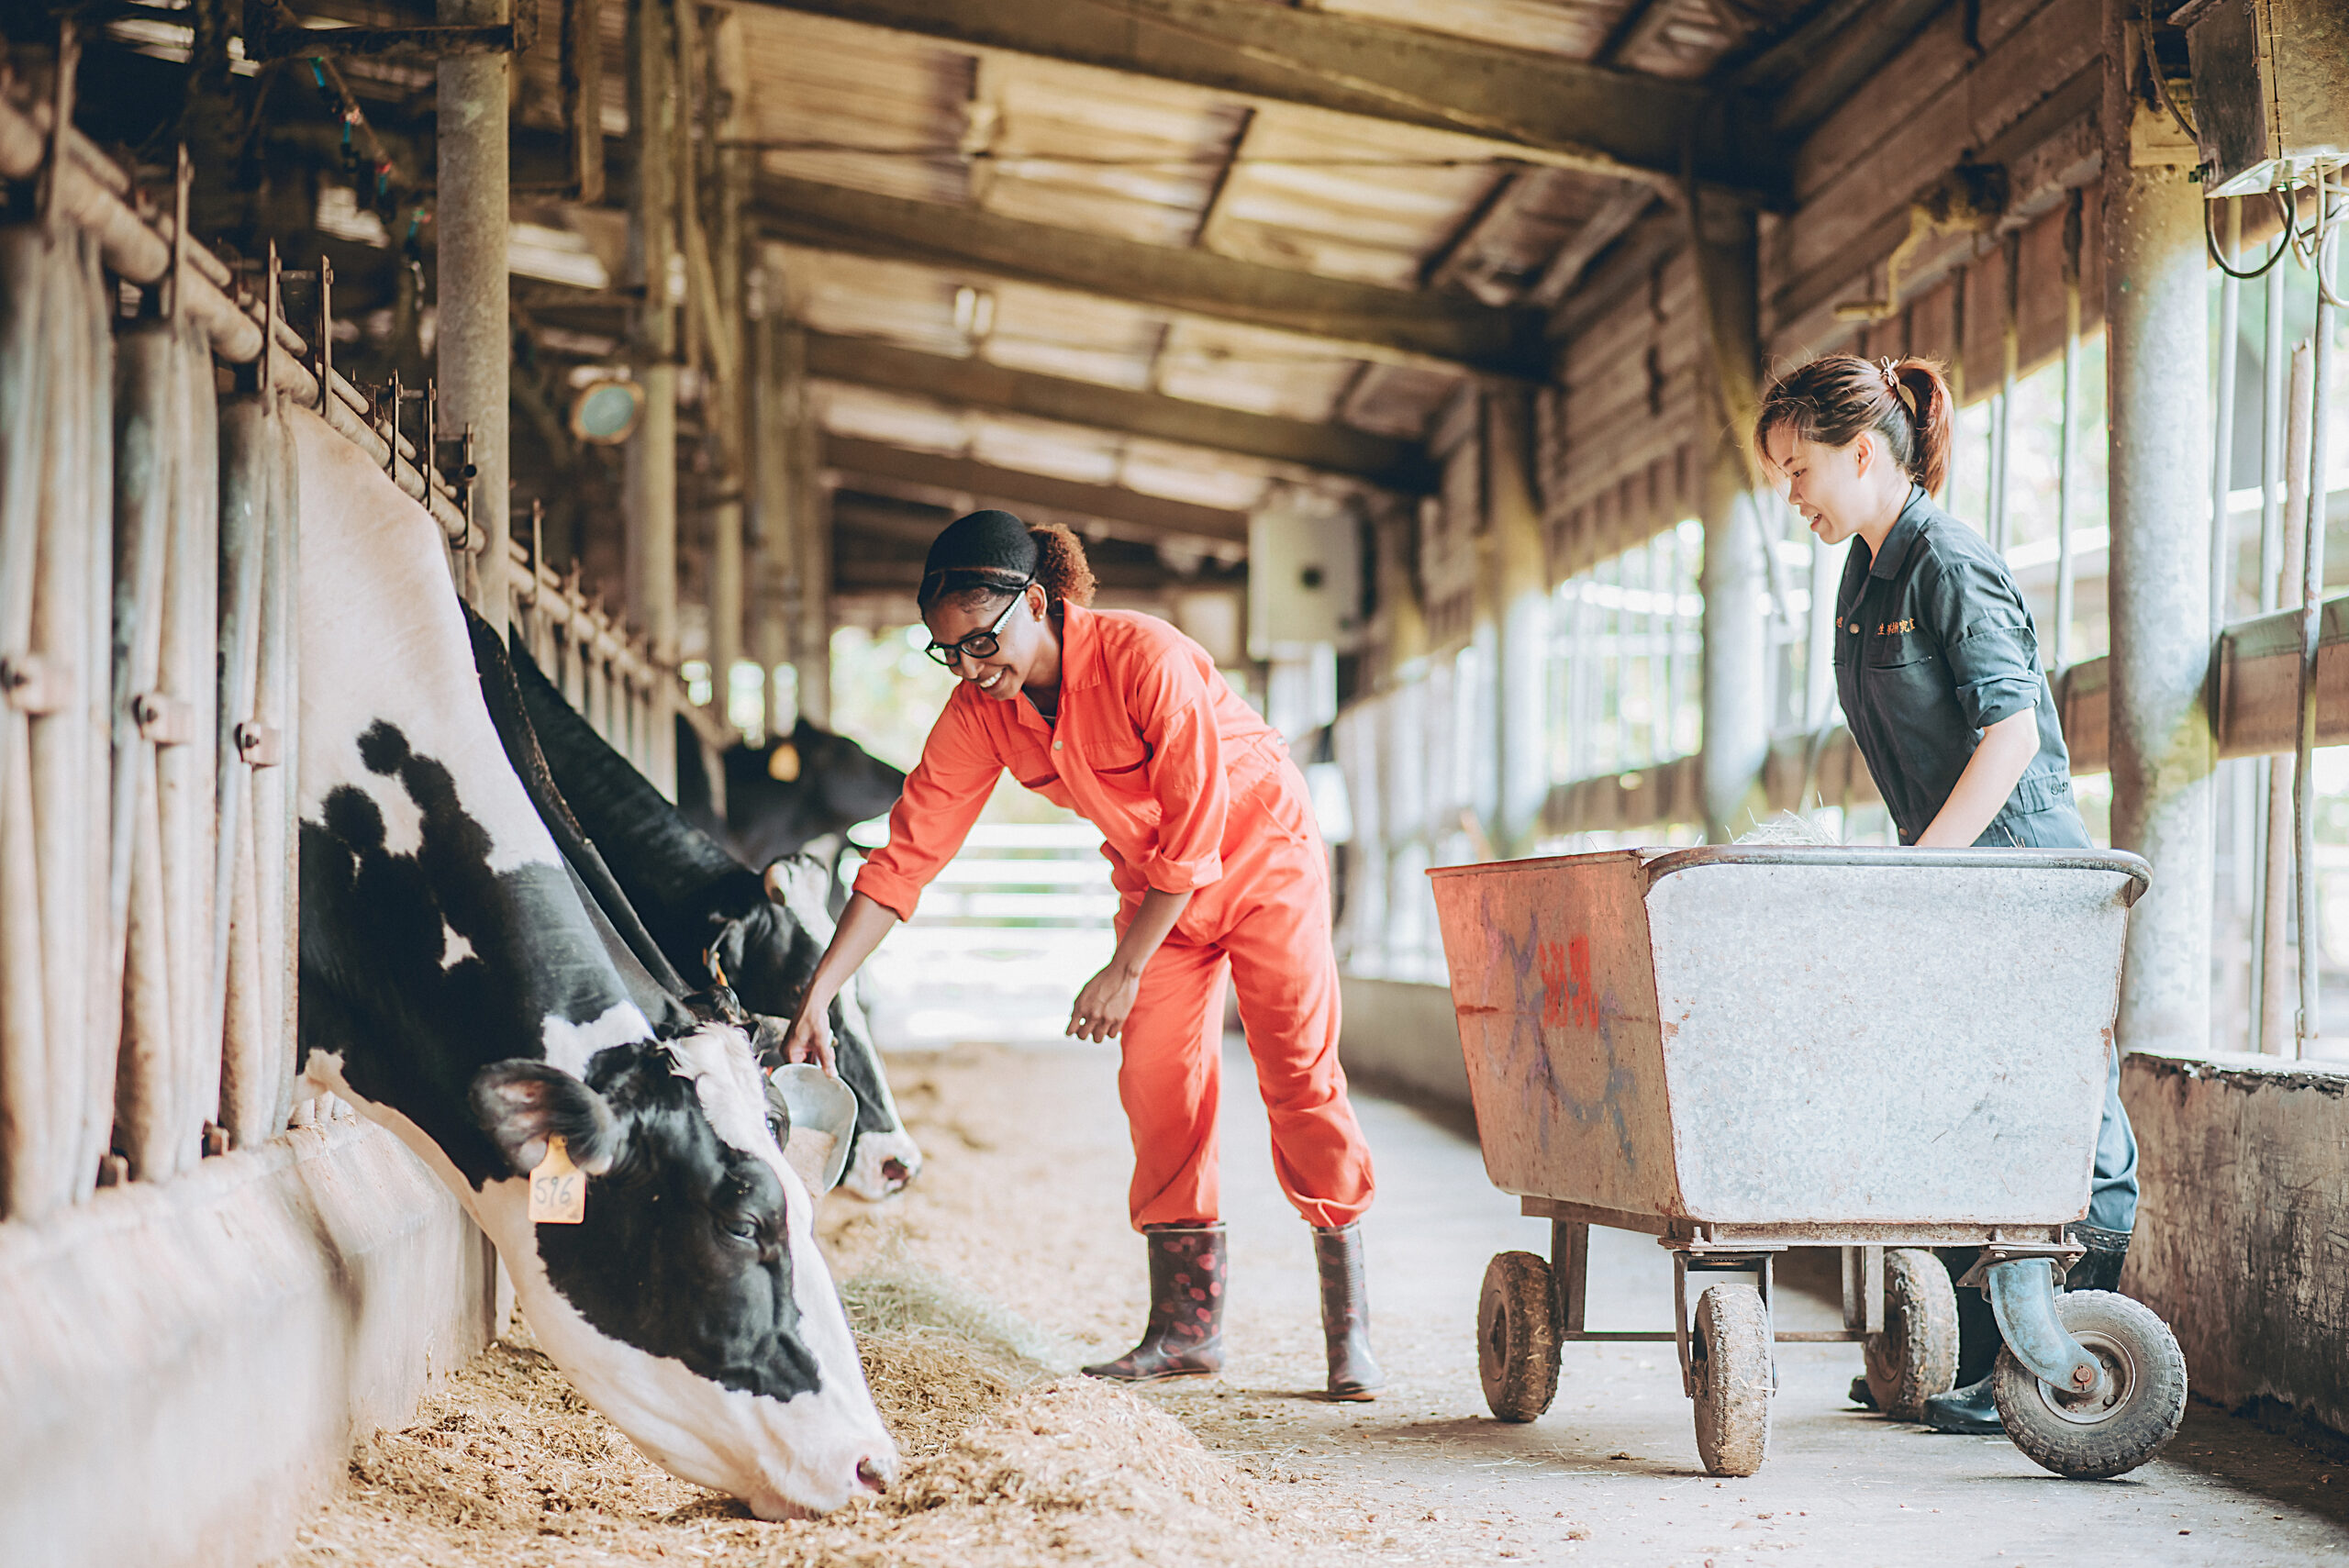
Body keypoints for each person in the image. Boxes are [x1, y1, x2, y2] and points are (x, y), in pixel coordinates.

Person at [781, 508, 1383, 1401]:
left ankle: (1348, 1329)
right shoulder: (981, 711)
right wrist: (820, 992)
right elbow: (908, 852)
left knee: (1296, 1074)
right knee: (1156, 1084)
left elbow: (1194, 828)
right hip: (1160, 895)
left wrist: (1124, 966)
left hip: (1264, 865)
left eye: (983, 643)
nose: (973, 669)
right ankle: (1185, 1329)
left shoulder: (1149, 657)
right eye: (948, 652)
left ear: (1035, 601)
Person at [1753, 353, 2138, 1435]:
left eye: (1798, 469)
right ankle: (1978, 1361)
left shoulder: (1949, 563)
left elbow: (2010, 736)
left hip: (2019, 881)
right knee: (1972, 1110)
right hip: (1950, 881)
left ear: (1862, 451)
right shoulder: (1864, 574)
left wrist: (1923, 873)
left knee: (2070, 1124)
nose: (1792, 495)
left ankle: (2066, 1359)